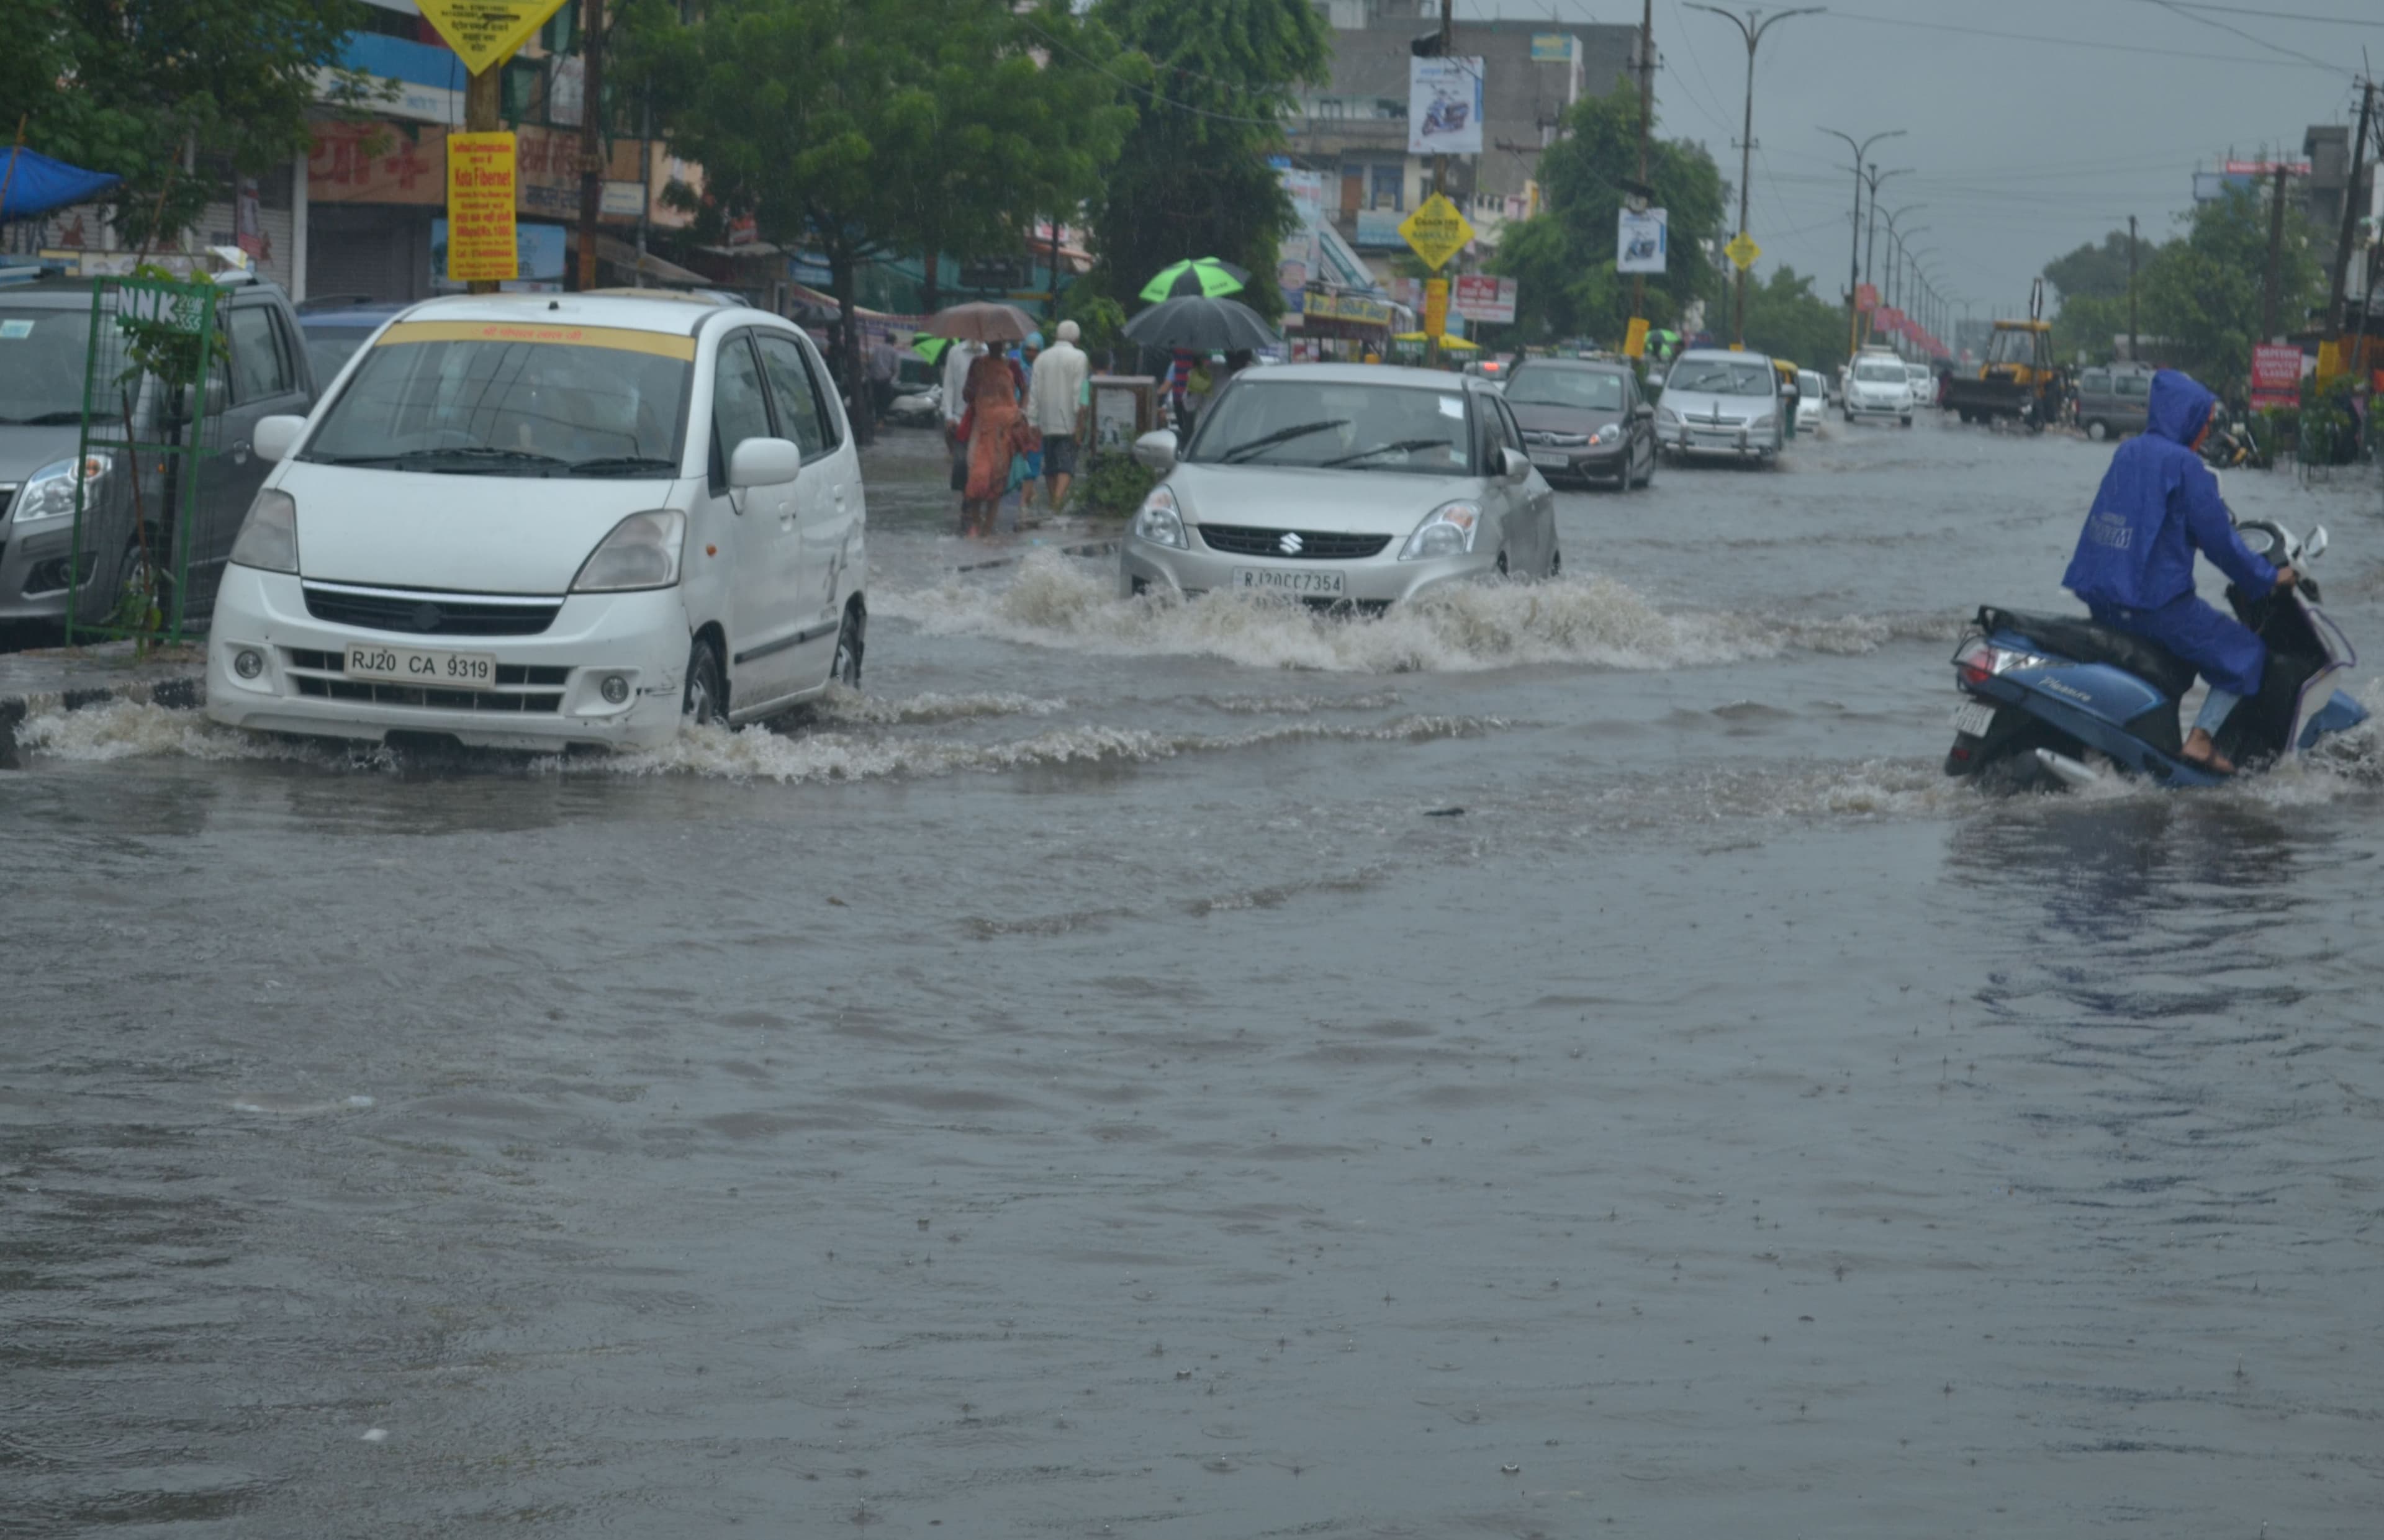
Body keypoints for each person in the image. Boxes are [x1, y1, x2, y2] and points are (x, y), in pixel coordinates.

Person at [2061, 369, 2297, 775]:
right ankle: (2202, 740)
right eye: (2204, 424)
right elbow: (2223, 545)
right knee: (2245, 653)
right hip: (2155, 606)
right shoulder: (2186, 466)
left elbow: (2145, 520)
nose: (2205, 434)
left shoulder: (2128, 452)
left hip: (2103, 600)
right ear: (2187, 419)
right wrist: (2267, 578)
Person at [957, 344, 1032, 538]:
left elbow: (1024, 390)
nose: (995, 344)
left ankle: (987, 529)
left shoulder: (1012, 365)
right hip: (982, 428)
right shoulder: (978, 364)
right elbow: (967, 395)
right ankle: (975, 523)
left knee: (998, 478)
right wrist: (977, 384)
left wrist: (1020, 413)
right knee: (977, 476)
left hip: (1005, 430)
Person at [1026, 318, 1090, 511]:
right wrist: (1080, 426)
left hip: (1045, 422)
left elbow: (1034, 392)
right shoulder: (1080, 357)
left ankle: (1055, 503)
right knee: (1067, 466)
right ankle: (1056, 503)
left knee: (1051, 465)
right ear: (1076, 340)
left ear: (1056, 336)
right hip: (1068, 421)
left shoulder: (1042, 358)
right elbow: (1080, 395)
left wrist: (1032, 421)